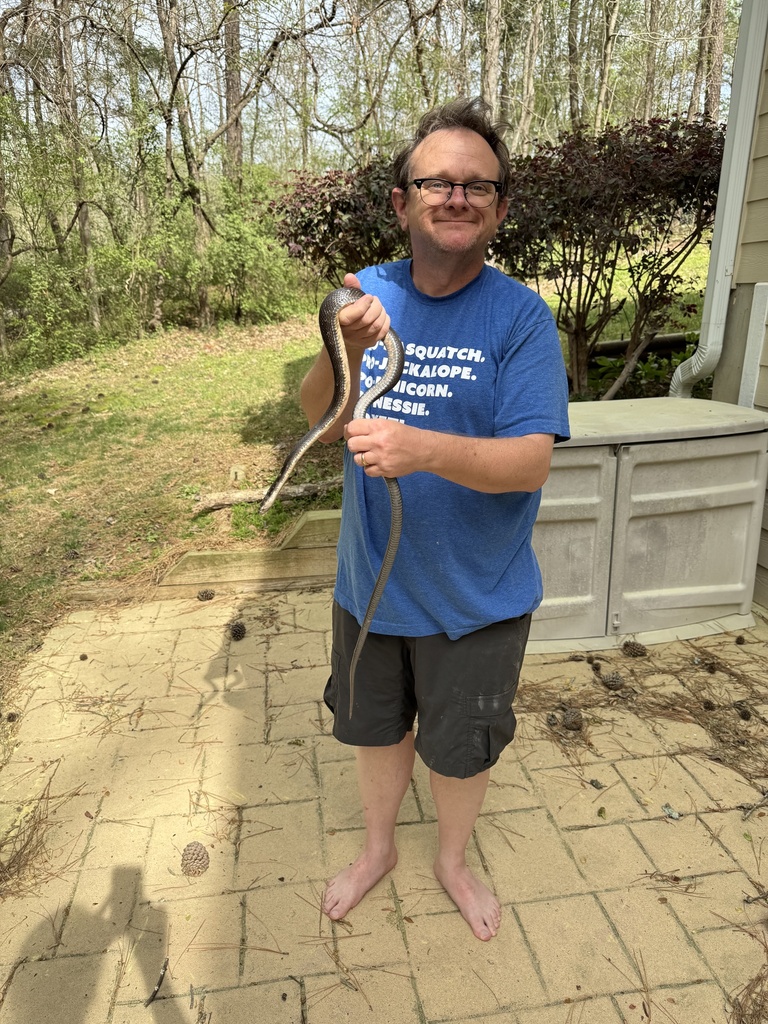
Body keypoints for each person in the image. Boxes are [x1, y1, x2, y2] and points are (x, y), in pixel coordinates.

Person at [300, 97, 570, 941]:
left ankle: (451, 859)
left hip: (477, 598)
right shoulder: (363, 293)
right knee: (376, 729)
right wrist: (336, 343)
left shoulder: (520, 317)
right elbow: (318, 416)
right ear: (401, 201)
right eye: (437, 182)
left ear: (498, 208)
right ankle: (379, 847)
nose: (457, 196)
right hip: (372, 587)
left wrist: (422, 449)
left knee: (459, 747)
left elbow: (529, 460)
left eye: (477, 185)